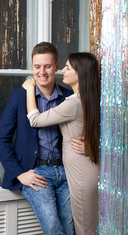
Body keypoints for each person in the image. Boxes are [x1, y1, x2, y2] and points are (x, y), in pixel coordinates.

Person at [0, 42, 85, 235]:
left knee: (70, 228)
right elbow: (1, 140)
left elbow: (86, 129)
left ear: (56, 66)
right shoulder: (19, 96)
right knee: (52, 227)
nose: (42, 72)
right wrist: (20, 174)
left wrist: (88, 144)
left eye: (47, 66)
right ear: (32, 67)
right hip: (35, 173)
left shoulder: (69, 96)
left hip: (67, 172)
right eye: (37, 67)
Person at [22, 52, 100, 235]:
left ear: (79, 74)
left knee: (84, 230)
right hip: (87, 170)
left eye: (67, 67)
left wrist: (29, 89)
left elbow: (35, 120)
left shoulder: (72, 104)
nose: (62, 71)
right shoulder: (90, 99)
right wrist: (94, 147)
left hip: (81, 176)